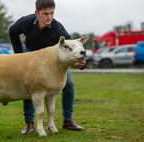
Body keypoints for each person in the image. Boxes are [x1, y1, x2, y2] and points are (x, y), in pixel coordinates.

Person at [9, 0, 86, 135]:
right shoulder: (25, 22)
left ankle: (68, 120)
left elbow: (73, 46)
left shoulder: (58, 28)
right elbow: (12, 31)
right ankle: (29, 123)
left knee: (69, 84)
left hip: (52, 58)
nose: (49, 17)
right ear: (36, 13)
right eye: (45, 14)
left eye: (52, 13)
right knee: (29, 84)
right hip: (30, 54)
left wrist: (80, 63)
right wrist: (19, 56)